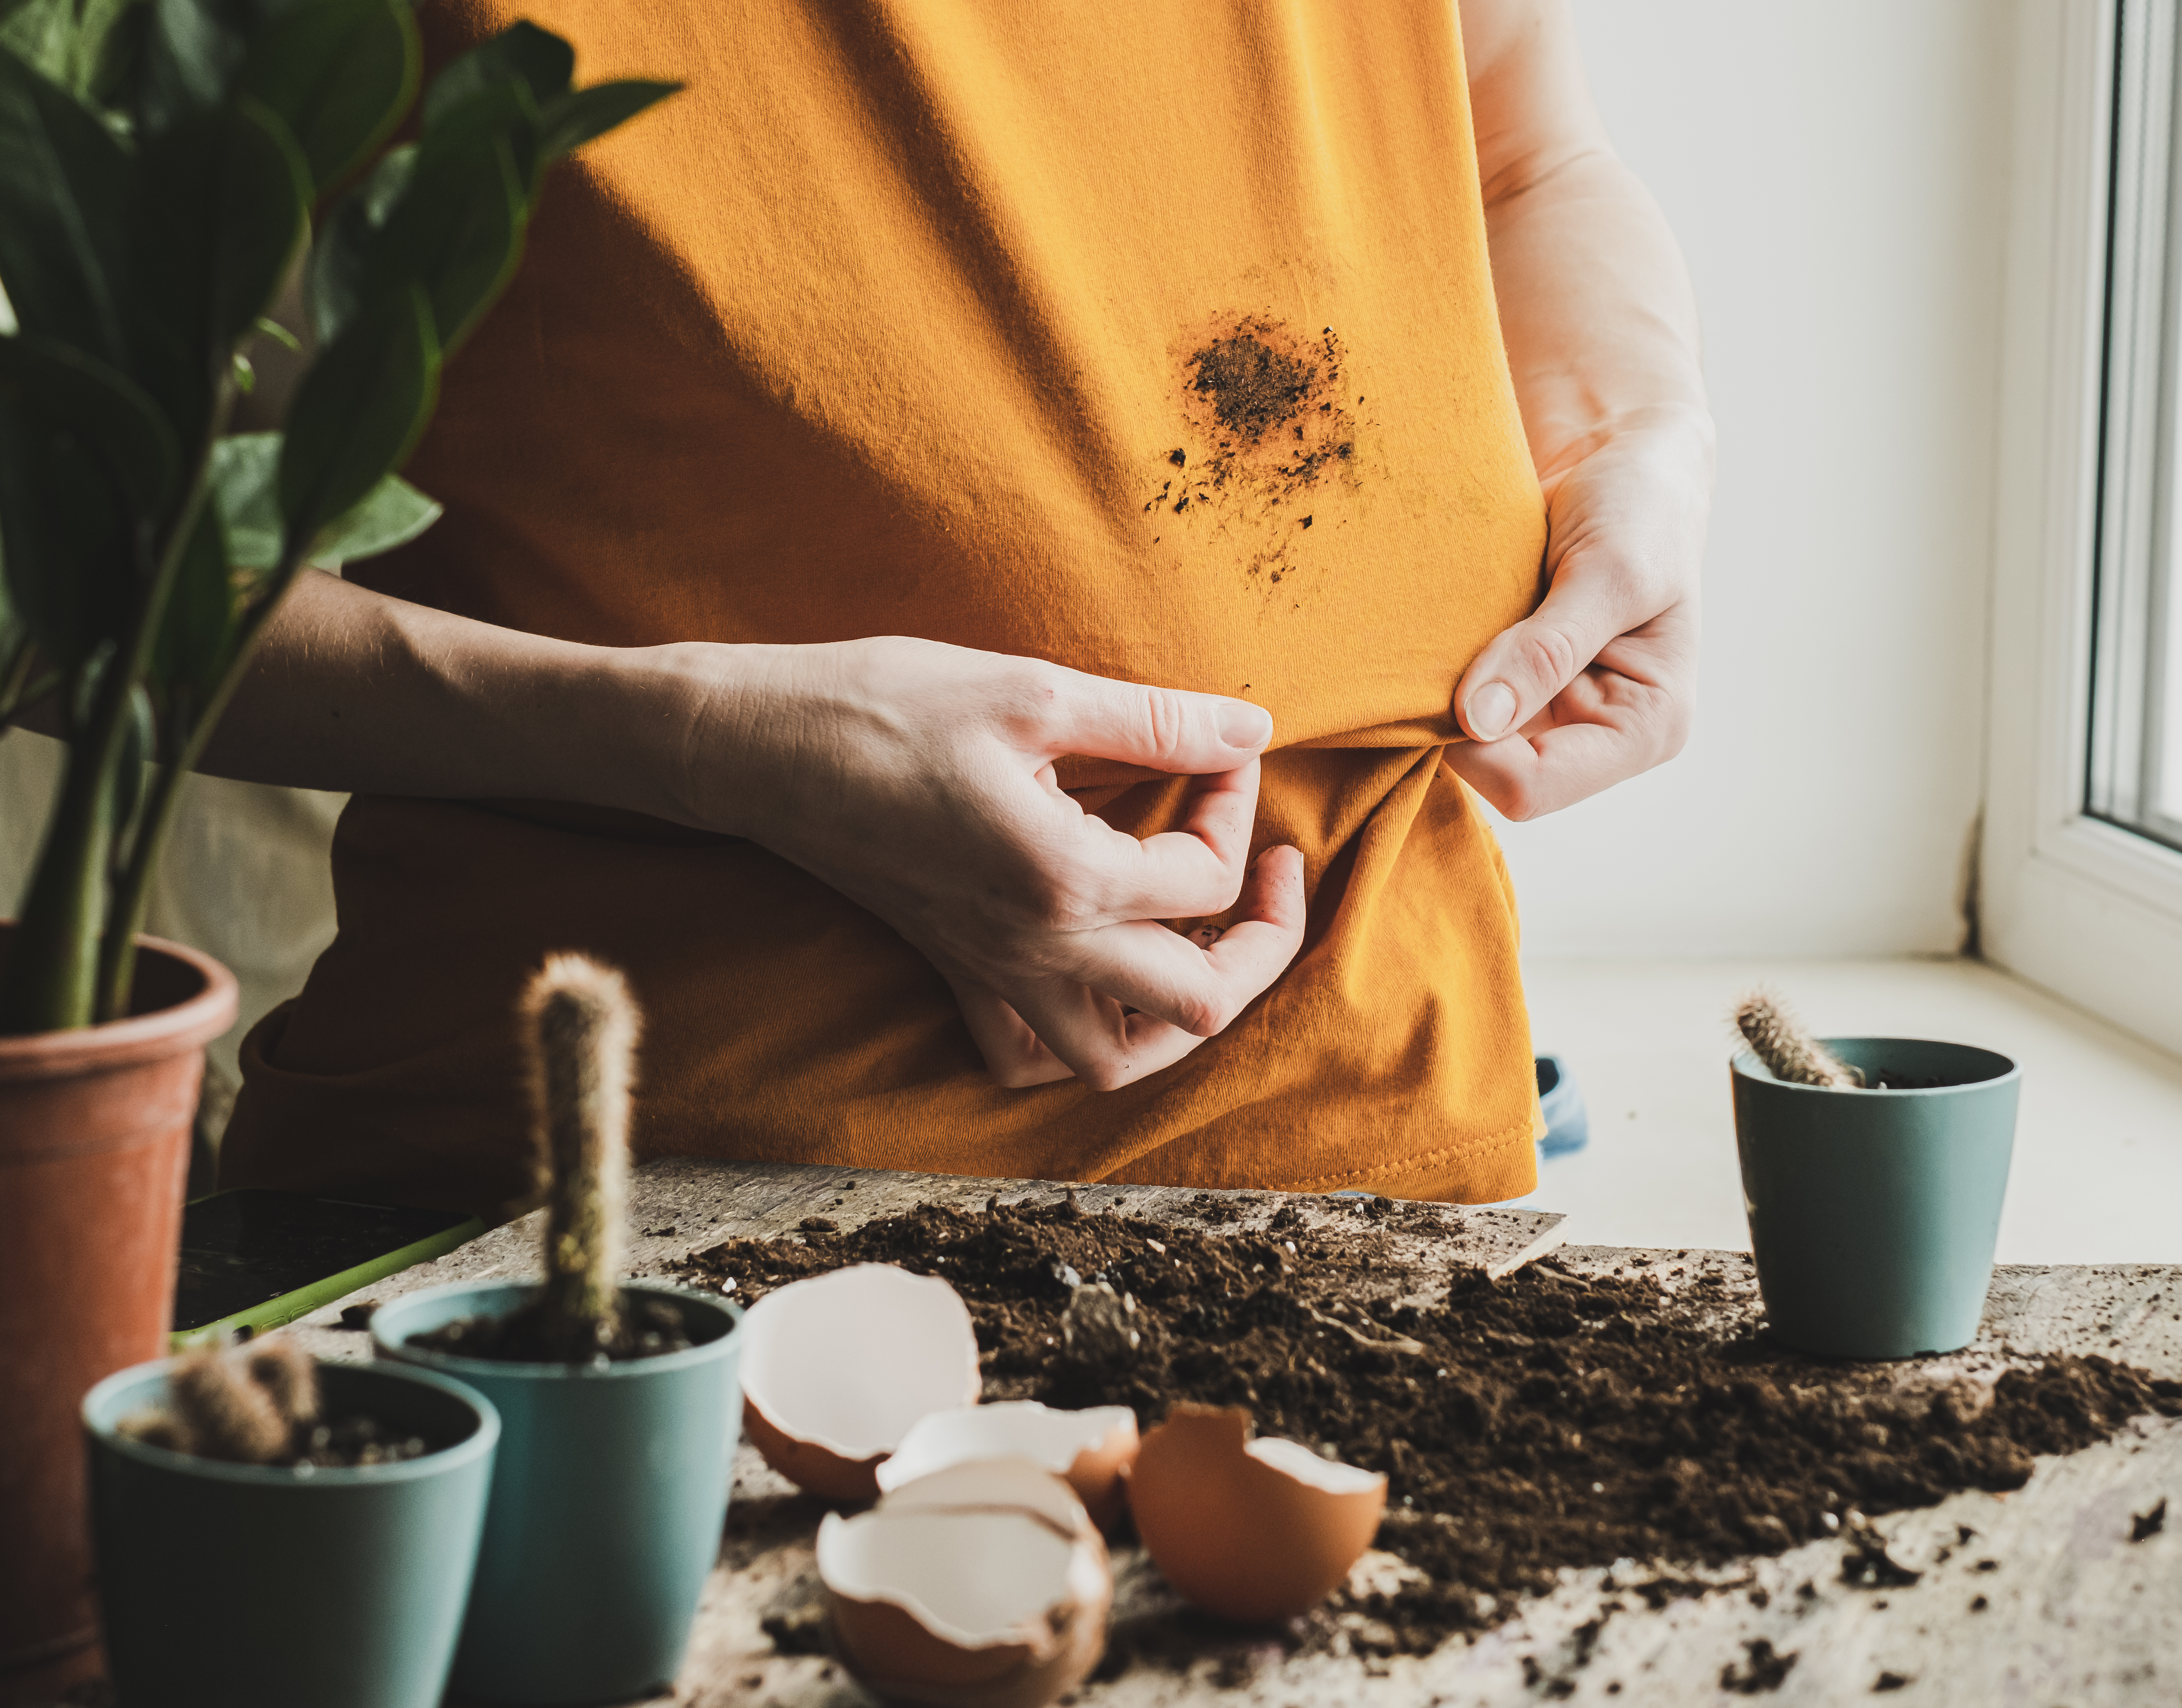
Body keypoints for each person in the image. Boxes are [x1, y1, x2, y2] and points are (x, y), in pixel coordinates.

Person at [208, 0, 1710, 1215]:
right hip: (620, 1209)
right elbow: (10, 579)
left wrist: (1635, 438)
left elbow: (1522, 160)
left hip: (1384, 1135)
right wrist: (704, 743)